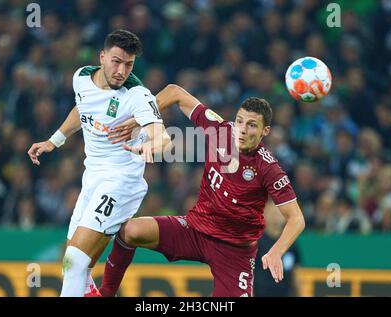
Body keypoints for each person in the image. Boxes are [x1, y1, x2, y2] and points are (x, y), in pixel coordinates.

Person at [99, 84, 305, 297]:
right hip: (196, 229)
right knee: (130, 231)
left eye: (252, 125)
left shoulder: (268, 168)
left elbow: (296, 219)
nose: (242, 130)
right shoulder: (221, 131)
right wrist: (143, 117)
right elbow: (175, 92)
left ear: (265, 131)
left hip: (235, 251)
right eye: (240, 121)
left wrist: (276, 251)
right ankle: (105, 293)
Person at [27, 29, 171, 297]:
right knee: (71, 266)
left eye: (129, 64)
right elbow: (82, 109)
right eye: (116, 61)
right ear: (102, 57)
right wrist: (53, 141)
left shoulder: (137, 95)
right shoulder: (81, 78)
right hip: (92, 179)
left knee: (76, 262)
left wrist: (150, 145)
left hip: (120, 183)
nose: (121, 71)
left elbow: (163, 137)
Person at [254, 201, 301, 297]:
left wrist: (299, 293)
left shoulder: (291, 243)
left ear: (285, 217)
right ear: (264, 215)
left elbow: (295, 273)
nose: (275, 217)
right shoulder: (256, 242)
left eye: (278, 213)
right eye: (272, 213)